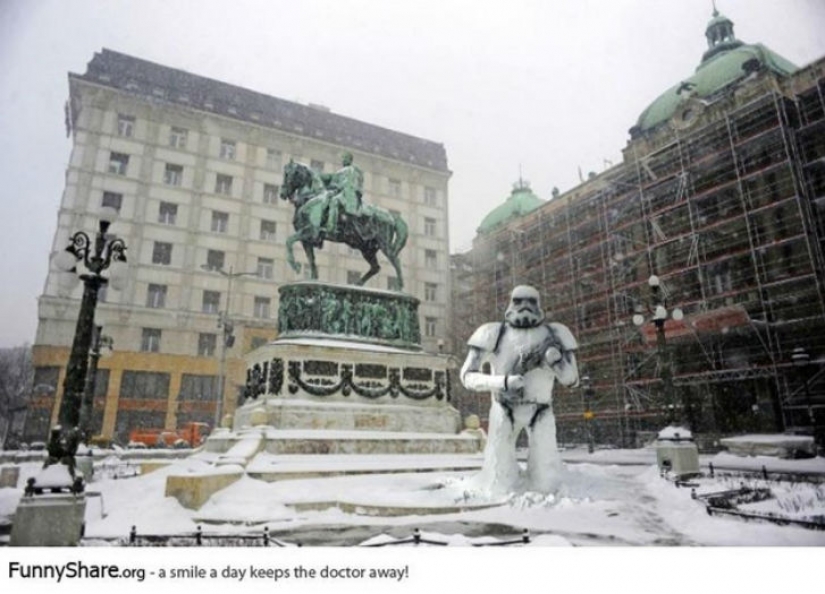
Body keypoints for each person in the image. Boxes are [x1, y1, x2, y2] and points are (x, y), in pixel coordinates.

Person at [460, 285, 579, 494]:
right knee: (500, 481)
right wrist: (503, 382)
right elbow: (467, 376)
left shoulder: (556, 333)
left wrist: (556, 361)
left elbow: (572, 380)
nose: (525, 306)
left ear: (539, 304)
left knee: (545, 482)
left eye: (531, 301)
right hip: (503, 408)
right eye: (518, 301)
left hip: (541, 409)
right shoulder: (493, 332)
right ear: (510, 303)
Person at [322, 152, 364, 235]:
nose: (343, 160)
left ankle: (331, 227)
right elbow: (333, 181)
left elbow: (347, 183)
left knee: (334, 201)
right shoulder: (340, 171)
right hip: (341, 192)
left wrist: (336, 186)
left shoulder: (351, 170)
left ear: (350, 160)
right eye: (343, 158)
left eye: (345, 158)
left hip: (348, 194)